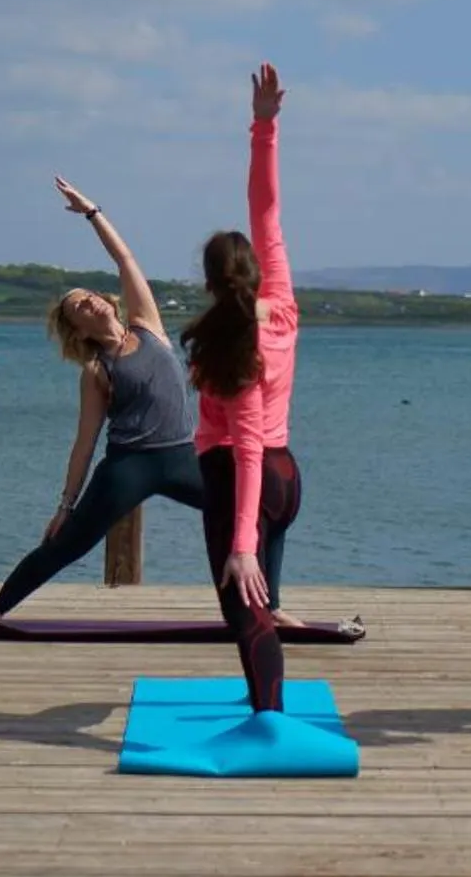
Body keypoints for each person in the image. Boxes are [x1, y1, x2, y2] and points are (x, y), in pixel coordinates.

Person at [0, 179, 202, 617]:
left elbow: (124, 259)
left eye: (89, 296)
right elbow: (85, 442)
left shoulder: (148, 325)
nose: (89, 303)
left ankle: (265, 609)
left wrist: (92, 213)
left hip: (182, 456)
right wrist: (66, 505)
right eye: (77, 308)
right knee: (68, 545)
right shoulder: (96, 370)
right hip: (128, 466)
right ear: (78, 331)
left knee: (250, 513)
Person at [184, 62, 303, 713]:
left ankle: (270, 722)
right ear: (257, 269)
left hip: (244, 479)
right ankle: (266, 701)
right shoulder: (282, 304)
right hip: (288, 479)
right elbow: (268, 208)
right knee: (261, 604)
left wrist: (240, 544)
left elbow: (245, 445)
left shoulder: (229, 347)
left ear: (207, 281)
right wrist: (264, 126)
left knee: (247, 613)